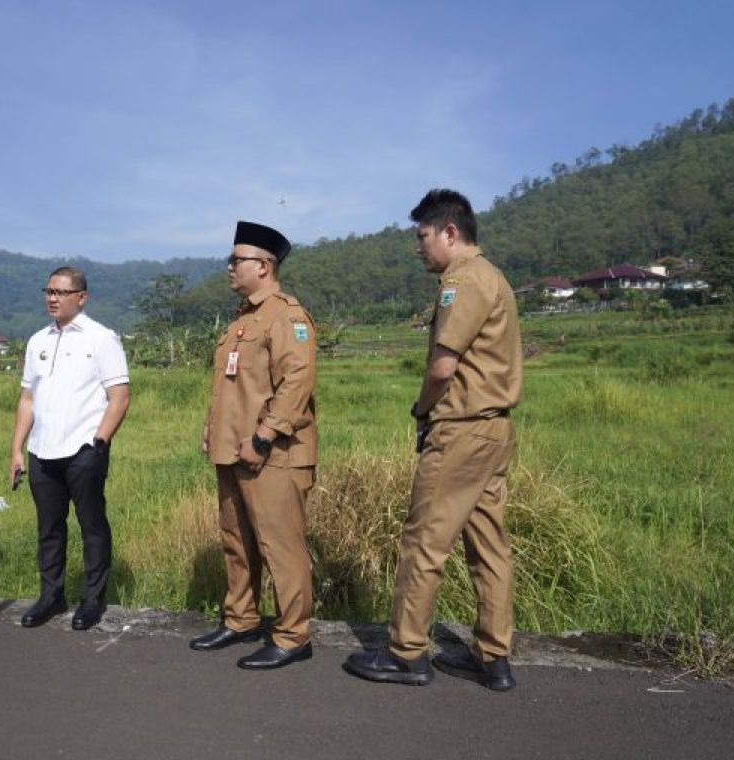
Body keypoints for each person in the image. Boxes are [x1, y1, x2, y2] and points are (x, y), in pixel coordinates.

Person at [343, 189, 523, 690]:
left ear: (449, 231)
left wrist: (422, 410)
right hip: (496, 429)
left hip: (461, 429)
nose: (417, 247)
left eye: (422, 236)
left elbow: (443, 367)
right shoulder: (495, 277)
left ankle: (406, 653)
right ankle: (494, 657)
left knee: (425, 542)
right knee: (489, 545)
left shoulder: (461, 282)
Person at [190, 221, 318, 670]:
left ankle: (292, 634)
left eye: (236, 260)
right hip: (232, 452)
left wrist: (264, 436)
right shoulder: (243, 319)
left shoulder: (287, 315)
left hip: (272, 455)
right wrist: (212, 428)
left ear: (263, 266)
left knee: (279, 545)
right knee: (237, 542)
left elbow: (297, 381)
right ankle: (241, 618)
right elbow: (230, 386)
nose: (229, 267)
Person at [10, 266, 130, 632]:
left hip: (83, 449)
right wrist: (17, 449)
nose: (52, 298)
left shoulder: (101, 338)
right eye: (48, 291)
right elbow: (27, 399)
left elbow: (120, 396)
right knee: (49, 527)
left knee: (91, 524)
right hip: (42, 450)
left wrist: (99, 442)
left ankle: (93, 599)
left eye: (61, 292)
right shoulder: (37, 341)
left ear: (81, 297)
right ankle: (51, 595)